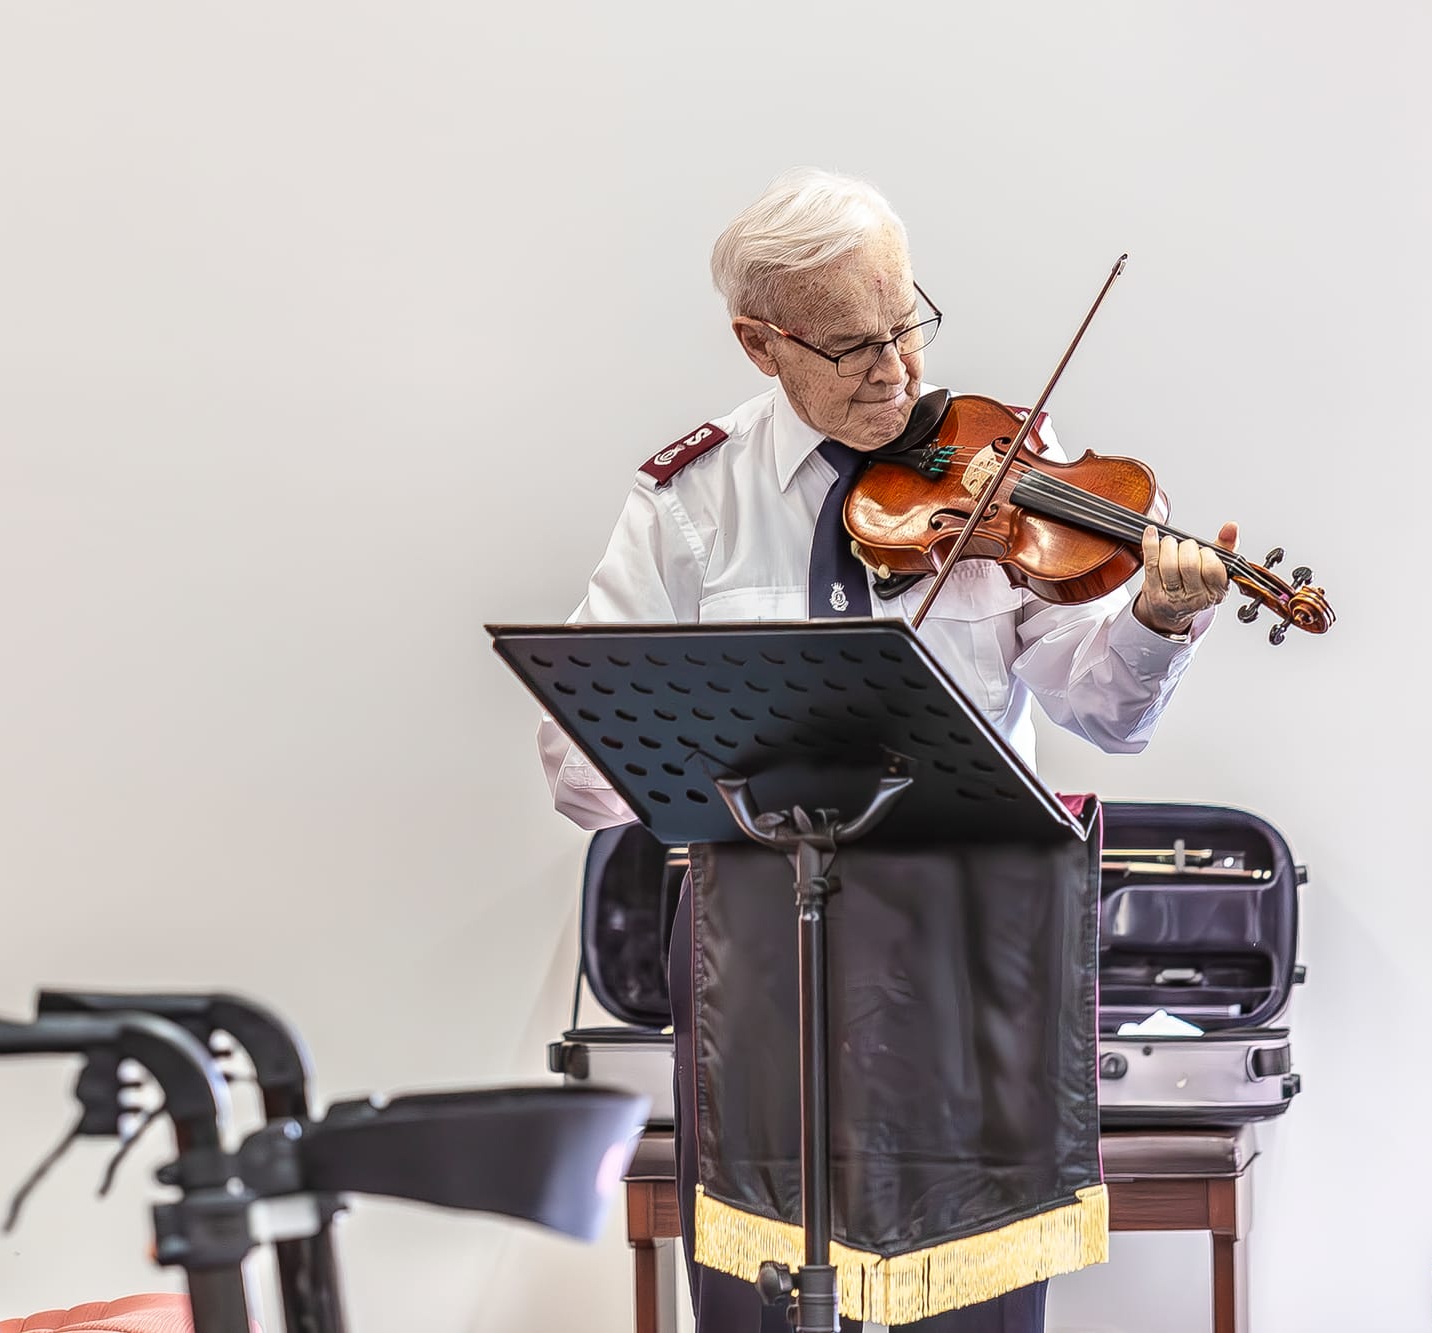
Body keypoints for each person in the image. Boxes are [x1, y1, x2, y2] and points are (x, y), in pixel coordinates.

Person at [538, 168, 1237, 1333]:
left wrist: (1157, 620)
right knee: (761, 1295)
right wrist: (713, 739)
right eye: (855, 345)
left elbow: (1105, 710)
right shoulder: (689, 501)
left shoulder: (1008, 466)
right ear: (761, 344)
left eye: (908, 323)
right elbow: (575, 763)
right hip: (761, 966)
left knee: (972, 1303)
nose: (900, 372)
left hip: (964, 950)